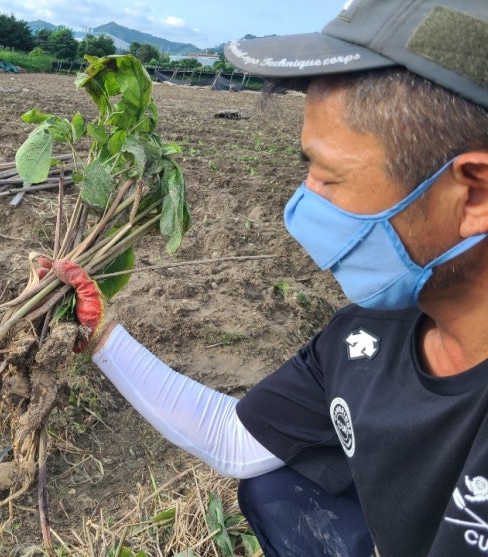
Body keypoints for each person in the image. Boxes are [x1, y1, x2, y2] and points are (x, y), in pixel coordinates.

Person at [50, 1, 488, 555]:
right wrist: (102, 335)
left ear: (472, 193)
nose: (302, 203)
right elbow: (235, 439)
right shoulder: (368, 339)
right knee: (275, 487)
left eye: (329, 177)